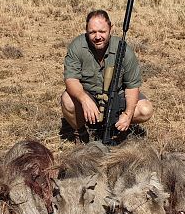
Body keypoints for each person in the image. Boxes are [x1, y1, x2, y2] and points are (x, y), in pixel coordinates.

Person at [60, 9, 153, 143]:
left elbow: (132, 86)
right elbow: (71, 80)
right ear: (86, 31)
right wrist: (84, 99)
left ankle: (119, 129)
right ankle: (81, 132)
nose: (97, 37)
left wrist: (127, 114)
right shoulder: (77, 46)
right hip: (89, 96)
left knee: (145, 110)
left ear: (111, 29)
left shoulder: (123, 49)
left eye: (102, 31)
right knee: (67, 100)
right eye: (92, 32)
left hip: (117, 97)